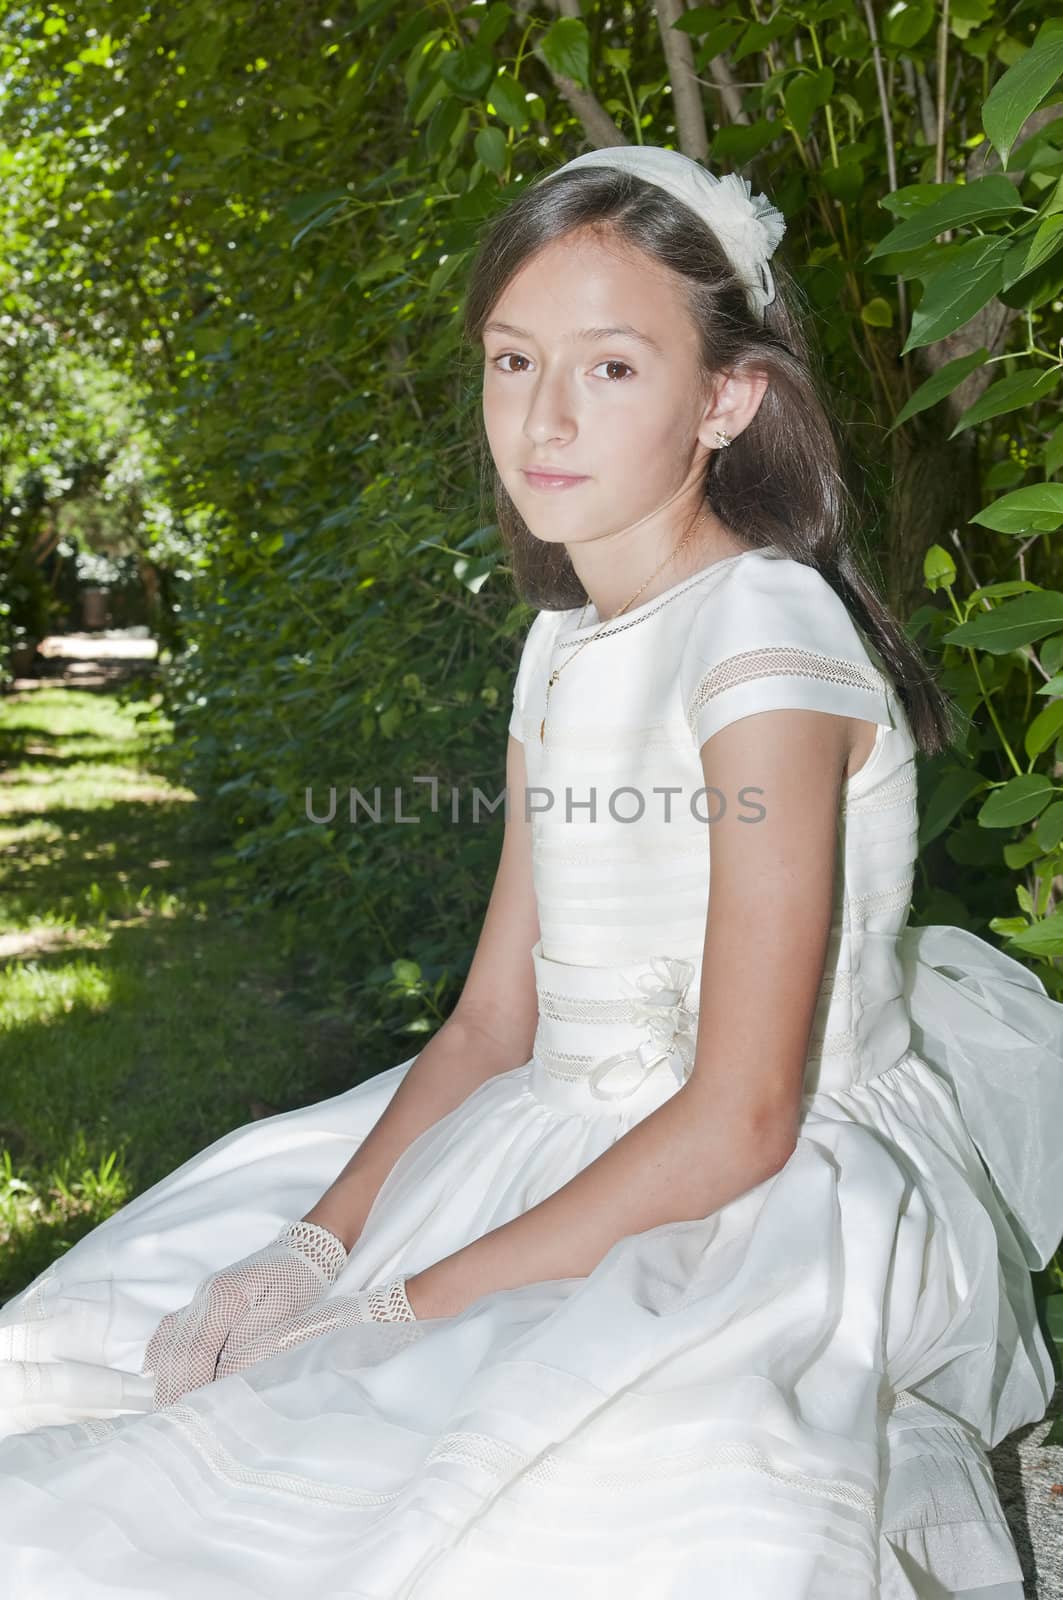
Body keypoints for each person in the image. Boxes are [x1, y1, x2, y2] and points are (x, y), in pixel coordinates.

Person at [0, 143, 1060, 1600]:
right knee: (109, 1374)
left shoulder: (763, 637)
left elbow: (745, 1114)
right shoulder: (561, 640)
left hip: (742, 1197)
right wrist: (315, 1252)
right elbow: (496, 1021)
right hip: (550, 1127)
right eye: (512, 360)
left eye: (612, 369)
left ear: (727, 398)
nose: (544, 417)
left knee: (441, 1501)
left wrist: (398, 1307)